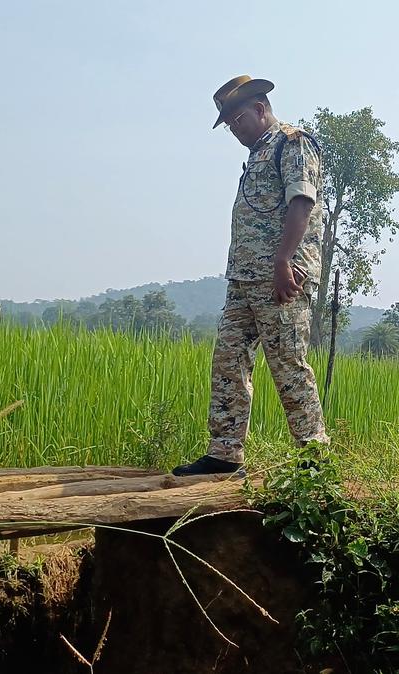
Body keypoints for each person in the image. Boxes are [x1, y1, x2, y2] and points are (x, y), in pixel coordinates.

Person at [173, 76, 329, 477]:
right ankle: (224, 455)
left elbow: (301, 202)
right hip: (244, 278)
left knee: (288, 365)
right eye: (228, 125)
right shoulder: (258, 153)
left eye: (237, 120)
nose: (234, 130)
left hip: (280, 278)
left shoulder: (292, 143)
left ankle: (314, 459)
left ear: (261, 108)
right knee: (228, 360)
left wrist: (283, 261)